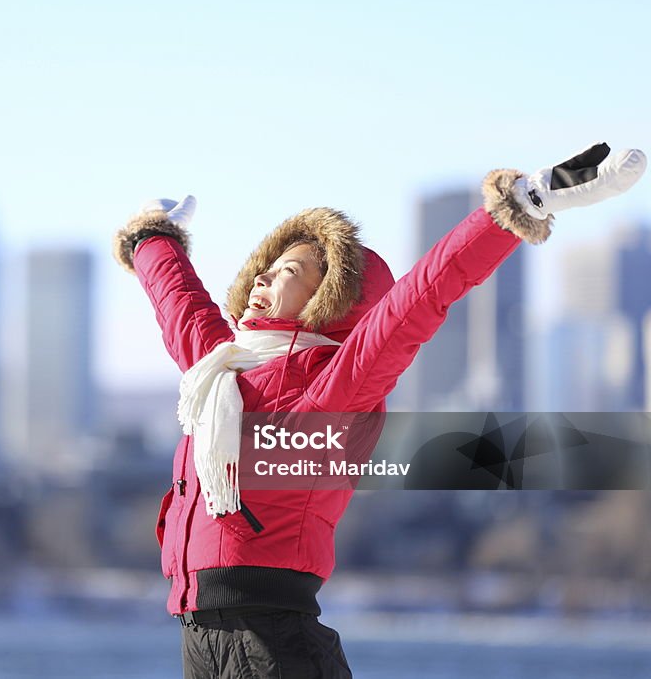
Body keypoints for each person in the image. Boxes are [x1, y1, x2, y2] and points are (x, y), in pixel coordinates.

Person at [111, 143, 646, 678]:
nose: (260, 280)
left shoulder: (332, 390)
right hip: (201, 636)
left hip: (274, 639)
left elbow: (420, 299)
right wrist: (153, 238)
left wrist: (521, 204)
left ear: (330, 298)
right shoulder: (219, 373)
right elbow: (179, 305)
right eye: (263, 269)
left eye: (286, 271)